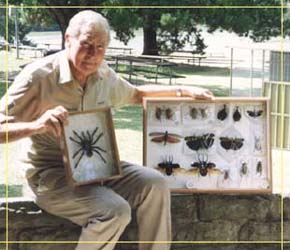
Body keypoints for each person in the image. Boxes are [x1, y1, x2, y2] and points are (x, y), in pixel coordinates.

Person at [0, 10, 213, 250]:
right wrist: (36, 125)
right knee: (114, 211)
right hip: (51, 175)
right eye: (86, 44)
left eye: (100, 47)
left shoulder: (104, 76)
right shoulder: (38, 77)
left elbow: (137, 94)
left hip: (98, 170)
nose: (93, 54)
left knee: (156, 183)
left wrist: (184, 91)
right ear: (68, 39)